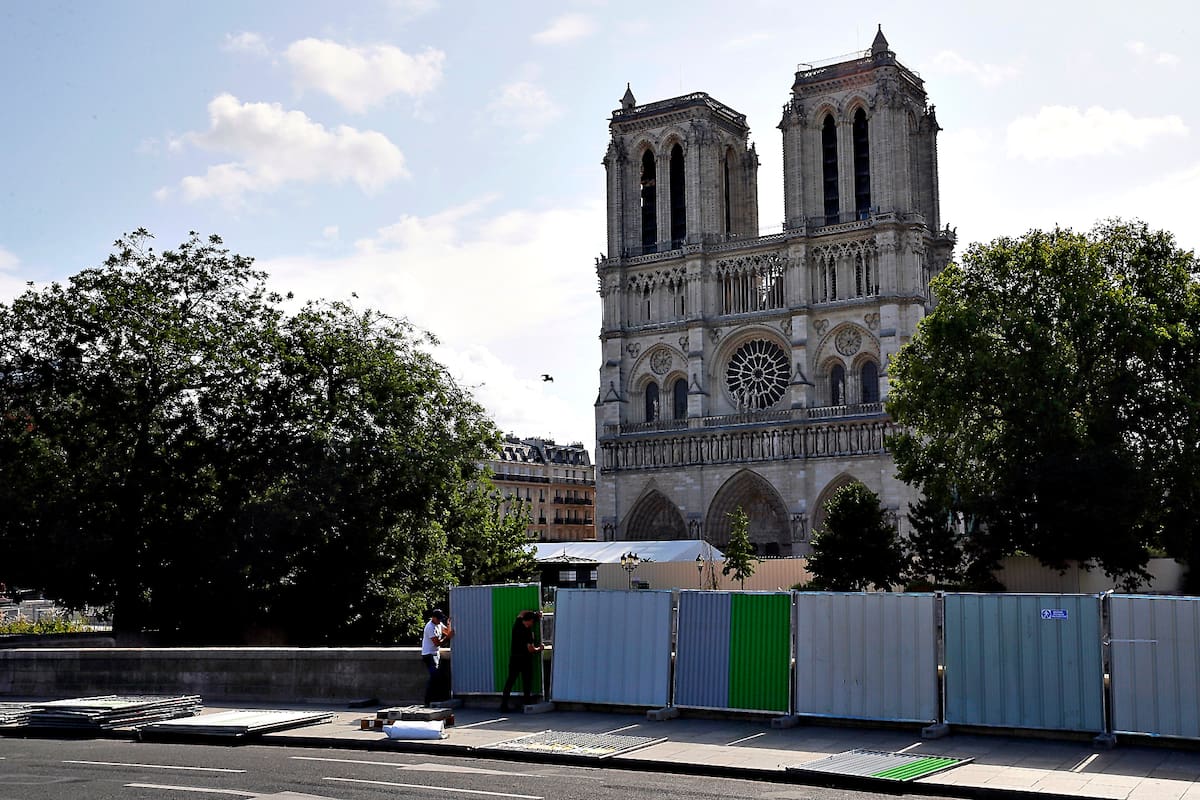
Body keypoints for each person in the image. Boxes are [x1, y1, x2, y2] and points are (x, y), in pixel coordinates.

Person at [500, 610, 543, 712]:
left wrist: (534, 614)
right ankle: (527, 703)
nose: (533, 623)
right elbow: (531, 649)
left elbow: (522, 613)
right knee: (527, 682)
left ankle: (503, 705)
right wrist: (540, 648)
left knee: (510, 681)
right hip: (525, 660)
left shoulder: (517, 625)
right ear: (530, 621)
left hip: (514, 659)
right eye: (533, 621)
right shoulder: (528, 633)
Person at [421, 609, 453, 706]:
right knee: (434, 677)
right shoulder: (430, 627)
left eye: (441, 619)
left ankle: (436, 698)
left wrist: (448, 625)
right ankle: (428, 701)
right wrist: (447, 638)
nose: (440, 620)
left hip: (435, 654)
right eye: (438, 619)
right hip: (429, 655)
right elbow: (437, 643)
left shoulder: (439, 624)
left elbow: (447, 631)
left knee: (437, 677)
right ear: (433, 618)